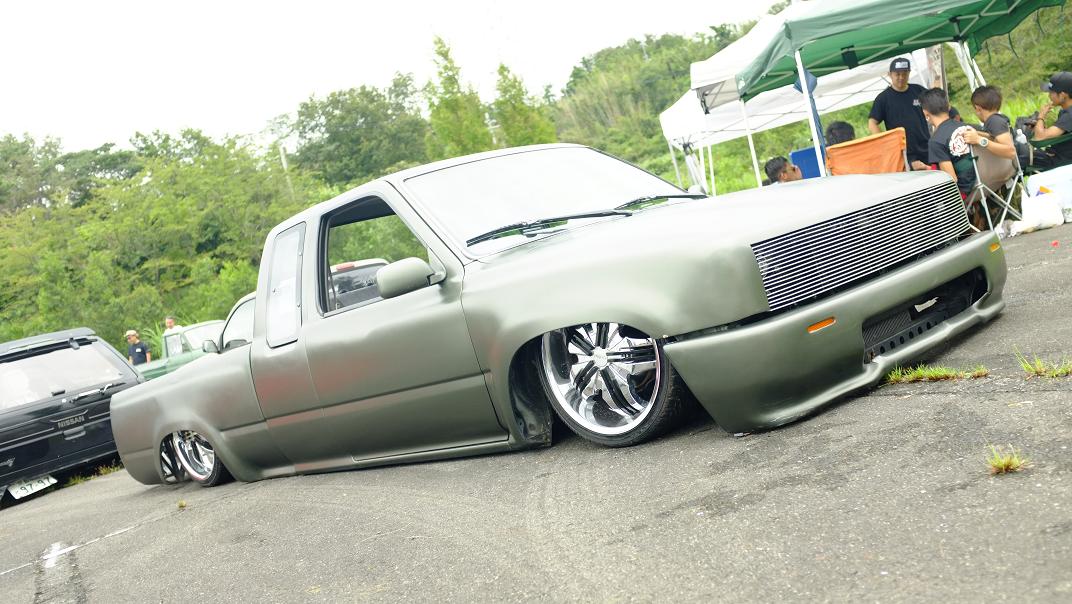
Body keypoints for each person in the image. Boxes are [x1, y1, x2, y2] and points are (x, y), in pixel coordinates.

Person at [868, 58, 931, 170]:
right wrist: (885, 144)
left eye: (904, 74)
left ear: (909, 73)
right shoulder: (883, 98)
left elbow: (936, 107)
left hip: (927, 148)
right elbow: (872, 122)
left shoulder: (919, 90)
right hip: (903, 153)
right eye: (897, 74)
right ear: (890, 74)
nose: (901, 77)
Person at [921, 88, 976, 198]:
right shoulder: (967, 127)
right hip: (982, 182)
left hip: (962, 192)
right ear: (949, 107)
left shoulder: (936, 141)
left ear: (926, 113)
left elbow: (951, 180)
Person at [960, 85, 1017, 161]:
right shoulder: (997, 119)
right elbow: (993, 137)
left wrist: (978, 139)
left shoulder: (995, 121)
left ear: (978, 108)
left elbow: (1011, 152)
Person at [1031, 71, 1072, 170]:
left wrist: (1041, 116)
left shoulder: (1069, 115)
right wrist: (1039, 126)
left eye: (1051, 92)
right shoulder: (1065, 111)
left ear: (1062, 95)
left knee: (1020, 157)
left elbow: (1040, 137)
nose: (1049, 96)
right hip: (1056, 155)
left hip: (1061, 161)